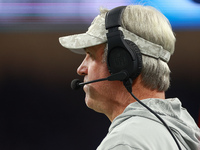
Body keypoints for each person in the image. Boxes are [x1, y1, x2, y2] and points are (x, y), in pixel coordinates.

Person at [59, 5, 200, 150]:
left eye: (91, 55)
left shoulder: (124, 142)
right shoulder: (186, 134)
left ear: (121, 62)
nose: (81, 69)